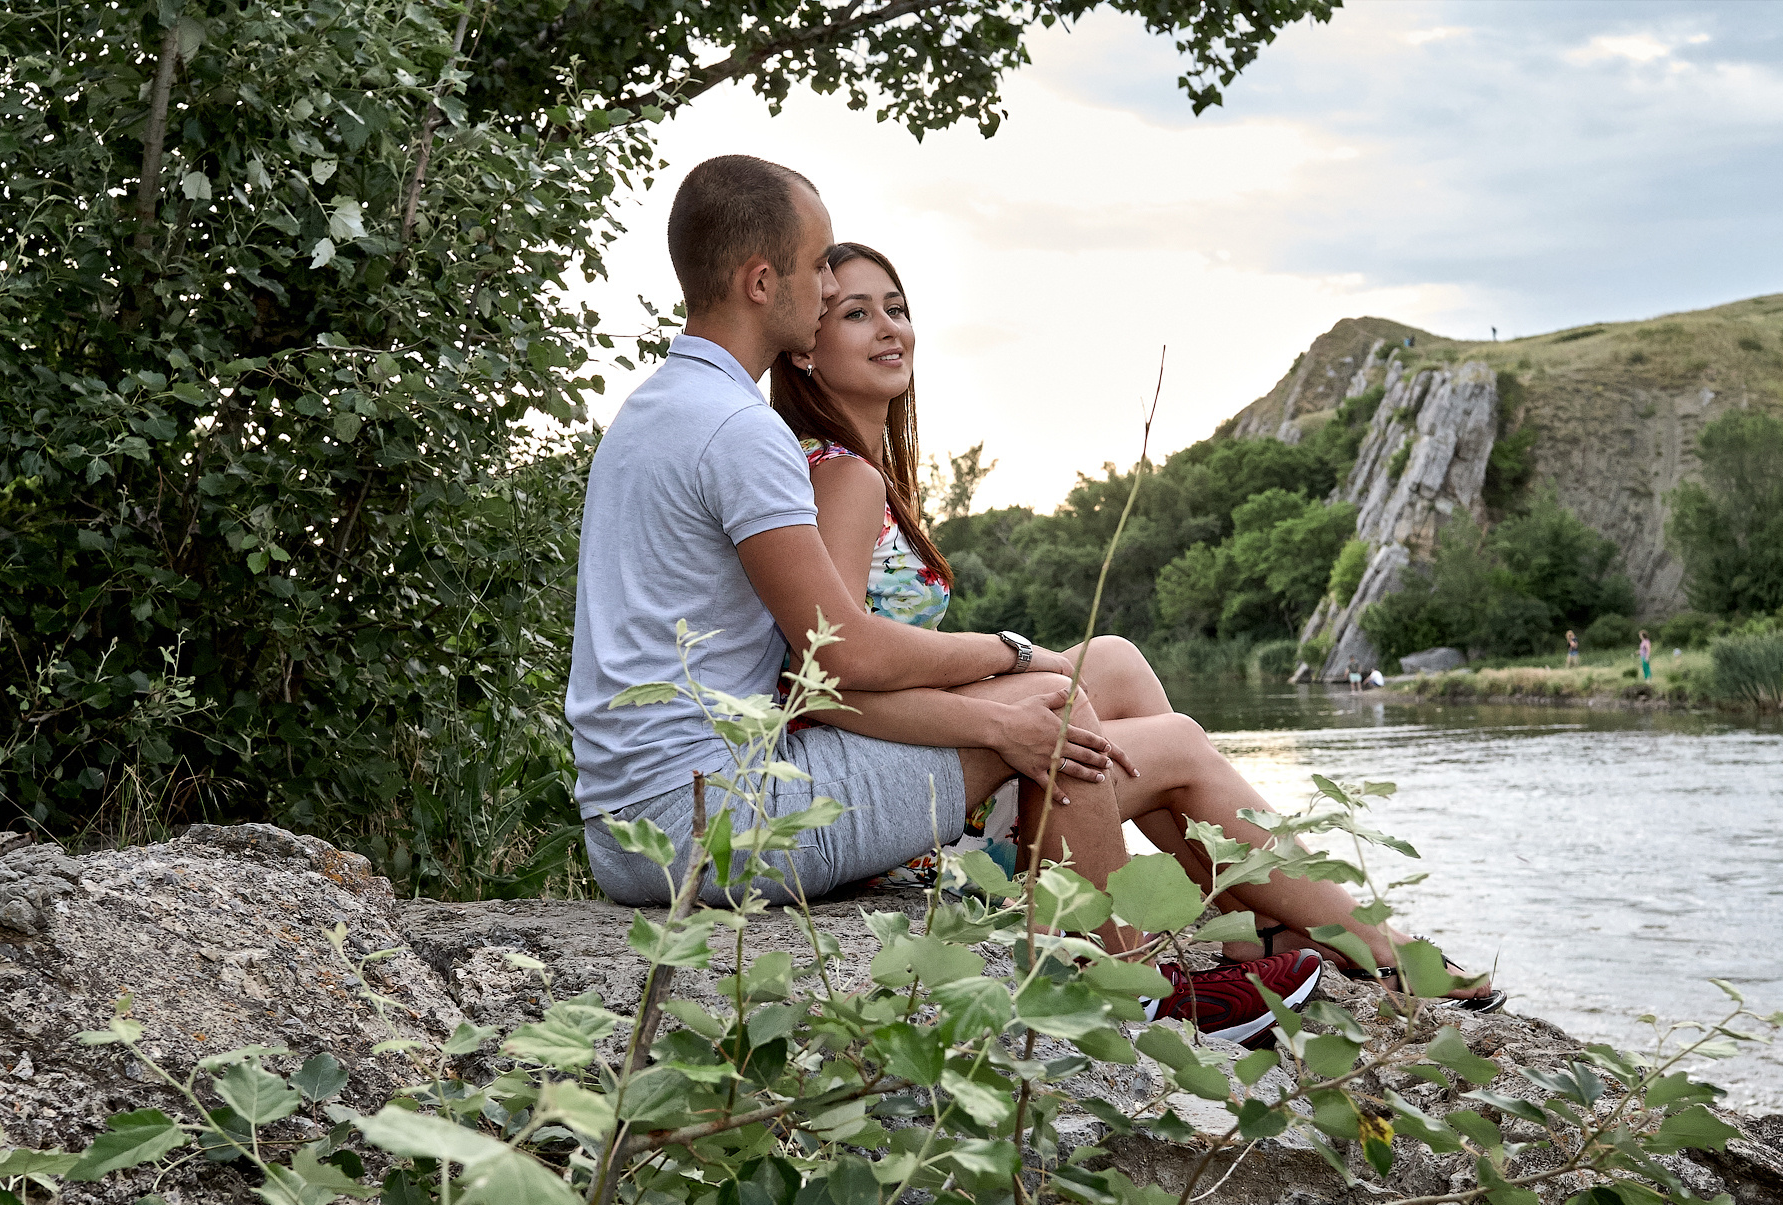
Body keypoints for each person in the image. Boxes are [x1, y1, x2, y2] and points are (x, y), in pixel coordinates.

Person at [566, 156, 1322, 1042]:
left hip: (631, 826)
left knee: (1061, 697)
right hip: (719, 821)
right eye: (817, 269)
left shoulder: (651, 411)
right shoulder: (741, 431)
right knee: (1058, 706)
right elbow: (839, 653)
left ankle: (1184, 947)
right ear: (761, 280)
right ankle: (1136, 990)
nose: (824, 285)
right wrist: (1011, 662)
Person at [766, 240, 1498, 1008]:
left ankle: (1255, 926)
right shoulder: (844, 477)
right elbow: (816, 681)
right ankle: (1378, 947)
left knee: (1109, 659)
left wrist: (1007, 680)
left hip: (905, 764)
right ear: (808, 351)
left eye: (897, 307)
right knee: (1176, 742)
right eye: (855, 313)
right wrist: (997, 708)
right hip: (902, 821)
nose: (889, 327)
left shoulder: (846, 468)